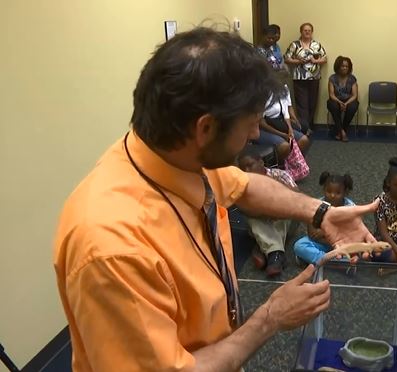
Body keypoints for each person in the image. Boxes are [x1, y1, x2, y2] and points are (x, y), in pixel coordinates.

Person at [53, 28, 379, 372]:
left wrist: (320, 211)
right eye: (251, 124)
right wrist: (269, 318)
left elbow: (245, 187)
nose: (256, 135)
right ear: (205, 129)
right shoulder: (112, 249)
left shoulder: (178, 155)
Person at [237, 149, 297, 276]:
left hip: (283, 217)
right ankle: (276, 256)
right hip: (261, 219)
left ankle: (263, 248)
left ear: (261, 162)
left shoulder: (280, 174)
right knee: (254, 220)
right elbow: (243, 209)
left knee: (286, 215)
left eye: (250, 165)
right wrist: (266, 213)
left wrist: (277, 186)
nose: (247, 171)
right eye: (243, 168)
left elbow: (297, 197)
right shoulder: (243, 183)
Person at [294, 172, 356, 265]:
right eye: (329, 191)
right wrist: (332, 236)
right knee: (299, 245)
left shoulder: (350, 208)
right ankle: (336, 263)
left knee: (356, 248)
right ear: (323, 189)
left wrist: (323, 232)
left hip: (342, 244)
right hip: (321, 243)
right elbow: (312, 234)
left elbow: (349, 233)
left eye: (338, 193)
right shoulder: (317, 205)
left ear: (345, 192)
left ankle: (315, 260)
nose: (332, 195)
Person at [284, 22, 327, 128]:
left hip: (314, 77)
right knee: (301, 104)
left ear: (312, 32)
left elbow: (325, 58)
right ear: (301, 31)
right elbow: (286, 58)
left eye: (309, 30)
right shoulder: (295, 45)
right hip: (299, 78)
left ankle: (309, 125)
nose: (307, 32)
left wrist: (315, 61)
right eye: (305, 30)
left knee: (312, 103)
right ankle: (304, 127)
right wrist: (298, 61)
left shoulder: (316, 44)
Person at [256, 84, 310, 164]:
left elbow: (286, 112)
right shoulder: (263, 91)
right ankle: (281, 167)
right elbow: (261, 123)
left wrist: (290, 128)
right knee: (284, 146)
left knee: (304, 140)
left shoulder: (283, 88)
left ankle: (294, 164)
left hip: (279, 122)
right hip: (263, 128)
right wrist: (282, 134)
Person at [327, 56, 359, 142]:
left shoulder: (352, 79)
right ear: (338, 66)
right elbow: (331, 94)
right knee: (333, 106)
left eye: (347, 66)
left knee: (353, 107)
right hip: (336, 100)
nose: (345, 68)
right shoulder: (332, 78)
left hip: (349, 100)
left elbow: (355, 95)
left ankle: (341, 131)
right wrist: (340, 102)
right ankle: (342, 132)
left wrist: (346, 103)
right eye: (342, 66)